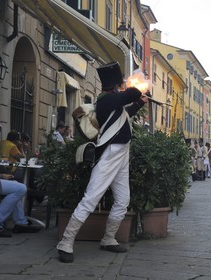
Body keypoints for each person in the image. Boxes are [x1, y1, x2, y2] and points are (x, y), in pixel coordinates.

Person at [56, 61, 148, 263]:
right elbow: (130, 94)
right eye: (120, 83)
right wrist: (137, 89)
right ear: (115, 85)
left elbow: (125, 116)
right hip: (109, 154)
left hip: (122, 154)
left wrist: (140, 103)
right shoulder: (106, 100)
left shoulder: (114, 103)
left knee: (123, 200)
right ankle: (66, 242)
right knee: (90, 199)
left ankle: (108, 238)